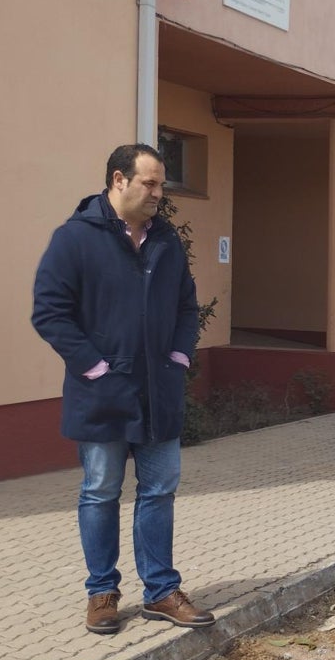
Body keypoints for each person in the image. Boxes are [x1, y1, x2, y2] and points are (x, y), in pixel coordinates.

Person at [32, 143, 215, 635]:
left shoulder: (165, 241)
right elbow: (49, 312)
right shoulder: (75, 240)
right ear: (118, 180)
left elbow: (185, 307)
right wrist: (94, 368)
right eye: (150, 183)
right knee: (100, 492)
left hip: (159, 391)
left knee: (159, 490)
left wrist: (178, 358)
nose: (159, 192)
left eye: (161, 184)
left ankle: (160, 591)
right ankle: (102, 593)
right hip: (101, 394)